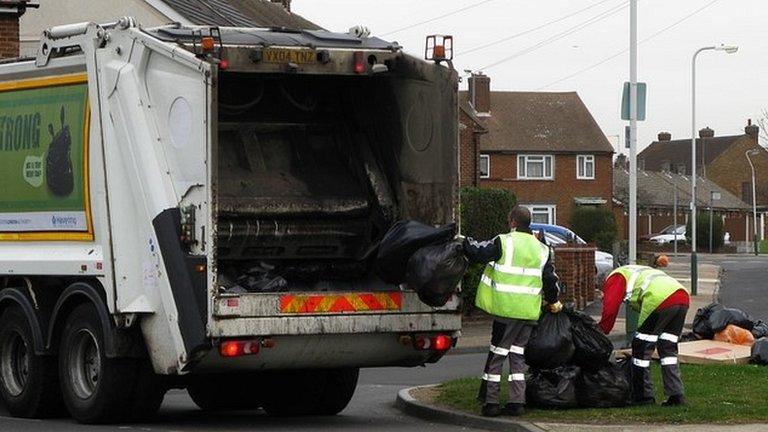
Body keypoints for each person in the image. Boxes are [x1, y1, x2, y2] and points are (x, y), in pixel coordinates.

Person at [463, 205, 561, 417]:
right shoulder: (542, 249)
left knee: (497, 355)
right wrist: (553, 302)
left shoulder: (504, 241)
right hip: (528, 313)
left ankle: (491, 403)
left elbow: (478, 253)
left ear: (513, 222)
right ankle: (517, 402)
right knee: (517, 356)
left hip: (506, 310)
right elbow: (550, 281)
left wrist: (462, 241)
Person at [598, 254, 689, 406]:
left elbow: (610, 309)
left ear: (602, 283)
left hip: (659, 300)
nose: (603, 297)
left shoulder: (615, 278)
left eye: (602, 293)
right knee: (668, 350)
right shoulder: (635, 271)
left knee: (641, 349)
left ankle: (643, 397)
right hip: (681, 297)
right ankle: (676, 395)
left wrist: (600, 332)